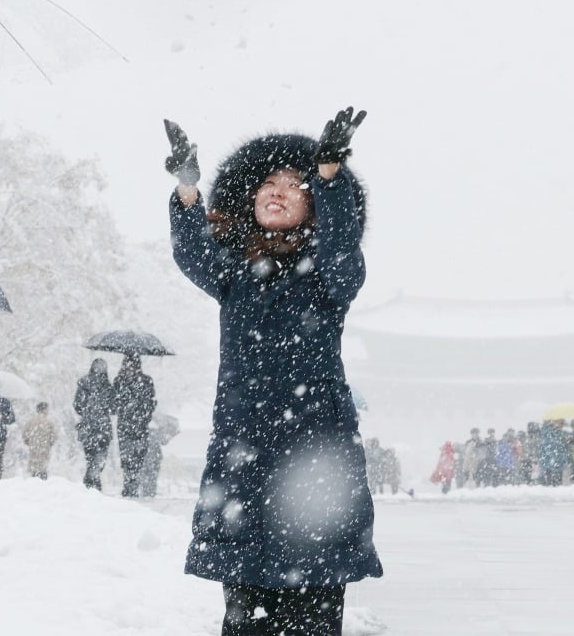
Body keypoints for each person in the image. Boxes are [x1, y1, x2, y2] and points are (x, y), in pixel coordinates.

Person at [164, 108, 382, 636]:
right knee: (245, 616)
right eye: (268, 182)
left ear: (313, 205)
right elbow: (193, 251)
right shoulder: (235, 271)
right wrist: (188, 192)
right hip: (245, 457)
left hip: (315, 460)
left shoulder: (331, 274)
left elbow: (340, 248)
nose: (277, 191)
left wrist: (330, 178)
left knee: (313, 615)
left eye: (294, 183)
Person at [113, 352, 157, 497]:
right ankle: (129, 484)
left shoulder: (146, 381)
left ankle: (132, 483)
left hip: (139, 426)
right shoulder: (119, 381)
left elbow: (151, 401)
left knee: (137, 456)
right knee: (127, 457)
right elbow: (115, 403)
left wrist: (143, 411)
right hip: (127, 425)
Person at [74, 359, 115, 489]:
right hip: (103, 427)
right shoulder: (108, 387)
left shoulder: (84, 383)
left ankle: (91, 480)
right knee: (100, 456)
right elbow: (113, 408)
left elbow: (77, 405)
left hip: (88, 426)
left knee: (90, 456)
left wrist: (87, 412)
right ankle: (93, 479)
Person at [21, 401, 58, 480]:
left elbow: (24, 435)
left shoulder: (30, 421)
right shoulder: (49, 422)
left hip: (33, 448)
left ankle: (34, 481)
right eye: (47, 409)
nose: (48, 411)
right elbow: (54, 436)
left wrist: (29, 443)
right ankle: (42, 483)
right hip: (45, 448)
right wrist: (50, 443)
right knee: (43, 468)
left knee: (34, 468)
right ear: (44, 410)